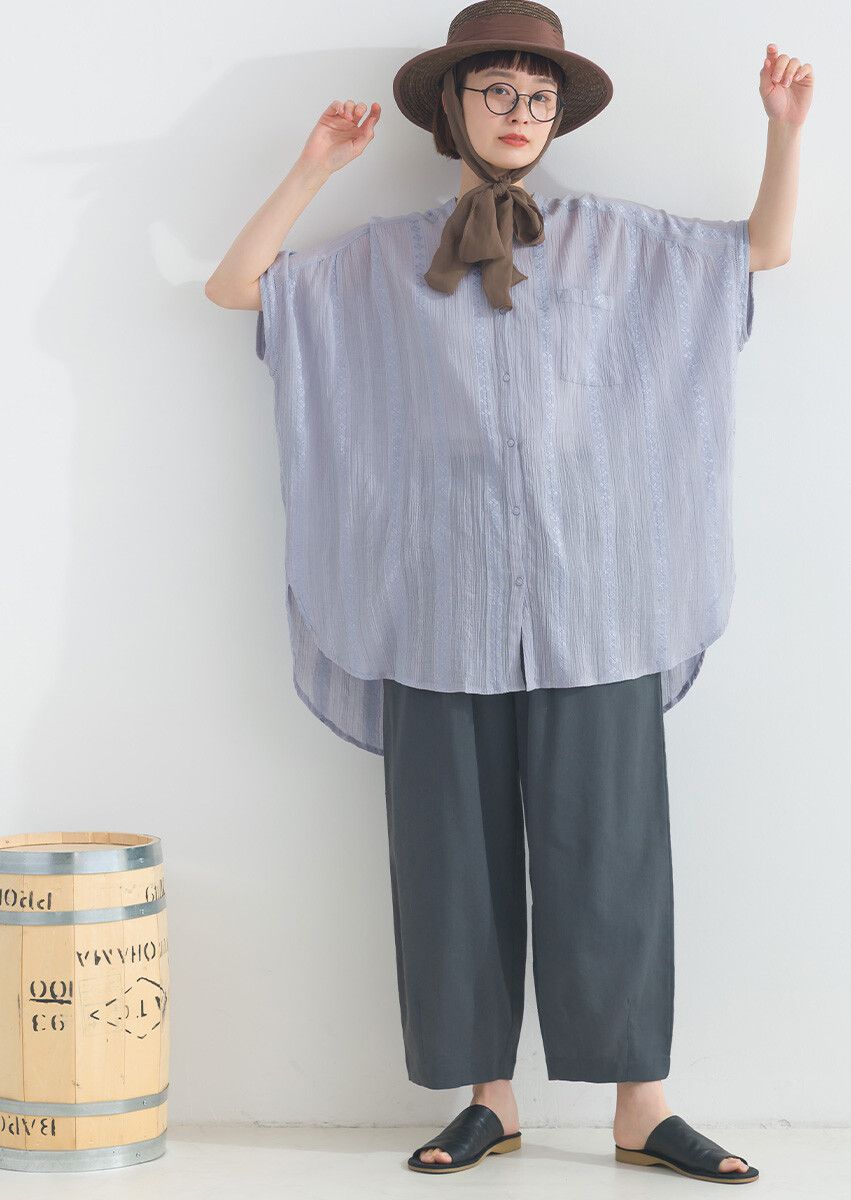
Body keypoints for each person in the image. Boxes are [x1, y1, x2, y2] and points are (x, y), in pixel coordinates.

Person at [205, 0, 812, 1184]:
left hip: (599, 607)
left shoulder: (623, 244)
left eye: (538, 96)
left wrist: (782, 129)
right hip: (437, 609)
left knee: (612, 854)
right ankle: (486, 1099)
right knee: (450, 860)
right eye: (496, 91)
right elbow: (240, 288)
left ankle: (641, 1107)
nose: (520, 113)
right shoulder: (379, 258)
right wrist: (314, 167)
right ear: (453, 108)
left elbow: (762, 251)